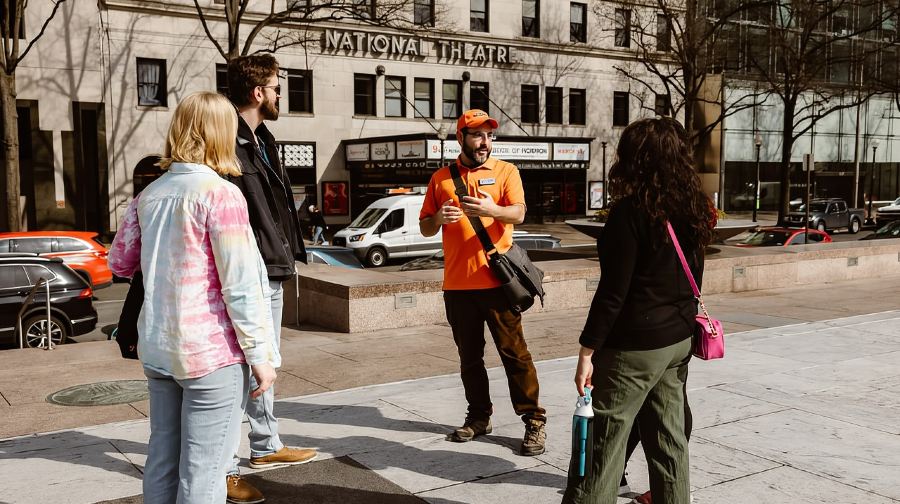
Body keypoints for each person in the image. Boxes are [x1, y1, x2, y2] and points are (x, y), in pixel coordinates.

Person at [108, 92, 277, 504]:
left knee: (163, 457)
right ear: (219, 133)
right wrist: (260, 354)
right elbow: (238, 284)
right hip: (210, 352)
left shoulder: (149, 195)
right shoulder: (220, 194)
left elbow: (119, 262)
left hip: (159, 346)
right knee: (205, 471)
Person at [562, 117, 714, 504]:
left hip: (635, 348)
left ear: (636, 160)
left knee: (602, 450)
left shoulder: (629, 214)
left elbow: (613, 292)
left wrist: (587, 351)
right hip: (678, 341)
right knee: (669, 443)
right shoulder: (694, 208)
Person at [419, 109, 547, 456]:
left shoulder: (507, 171)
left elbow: (518, 213)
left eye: (490, 135)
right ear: (461, 137)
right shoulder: (441, 178)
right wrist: (437, 218)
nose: (485, 142)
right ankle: (478, 417)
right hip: (458, 287)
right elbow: (425, 226)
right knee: (470, 359)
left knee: (514, 355)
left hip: (498, 284)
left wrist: (493, 210)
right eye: (477, 135)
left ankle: (534, 420)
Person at [225, 54, 317, 504]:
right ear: (258, 92)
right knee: (244, 368)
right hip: (252, 266)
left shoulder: (264, 139)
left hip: (273, 264)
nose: (281, 94)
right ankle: (224, 466)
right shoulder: (228, 141)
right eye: (277, 87)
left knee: (265, 365)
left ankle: (265, 446)